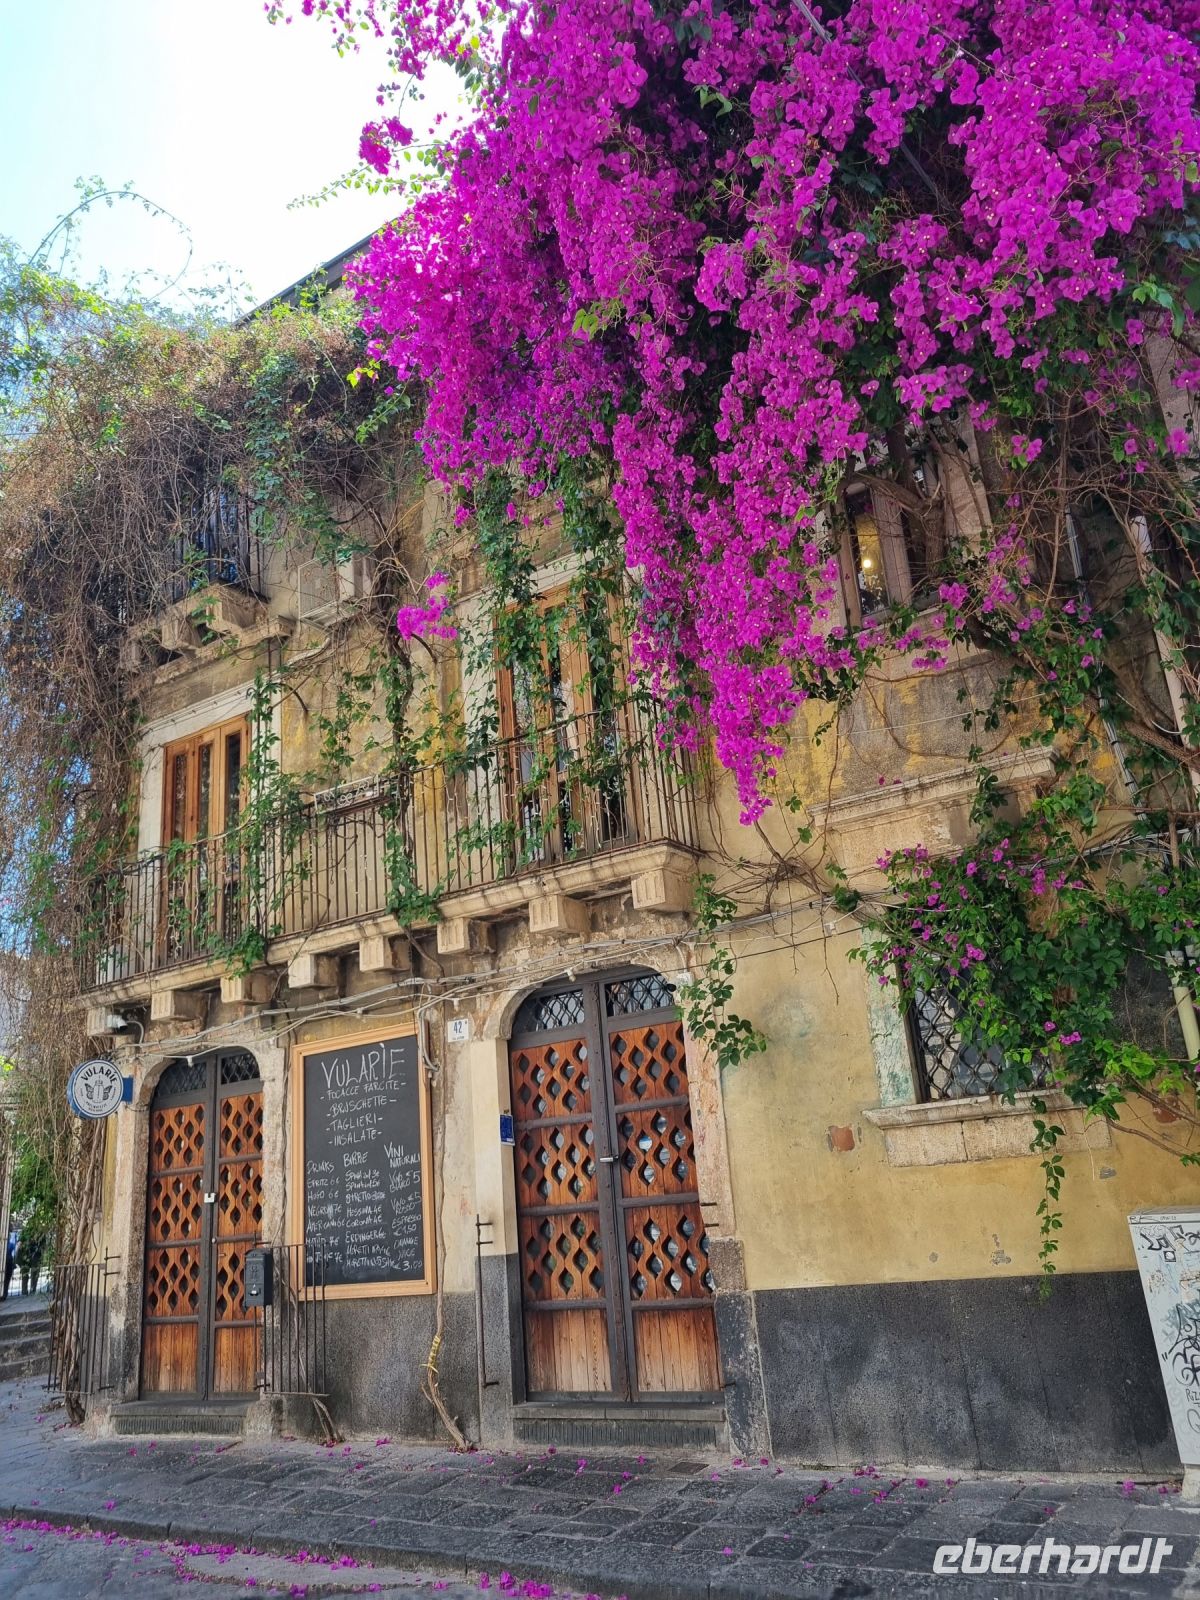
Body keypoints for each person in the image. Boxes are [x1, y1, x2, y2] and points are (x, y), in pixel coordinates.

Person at [2, 1228, 15, 1299]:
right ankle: (4, 1294)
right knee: (7, 1280)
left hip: (5, 1262)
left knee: (4, 1279)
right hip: (9, 1262)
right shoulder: (11, 1245)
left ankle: (3, 1294)